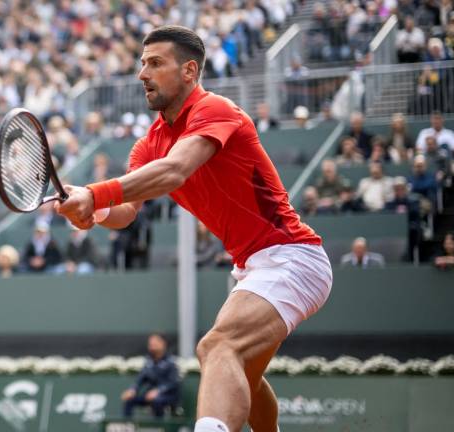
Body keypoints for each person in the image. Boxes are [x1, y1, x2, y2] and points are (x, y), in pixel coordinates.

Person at [56, 26, 332, 432]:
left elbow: (174, 170)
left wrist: (94, 195)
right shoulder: (148, 143)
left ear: (189, 70)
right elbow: (127, 211)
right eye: (141, 63)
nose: (142, 74)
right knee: (245, 377)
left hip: (293, 256)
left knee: (217, 346)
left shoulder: (216, 109)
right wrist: (92, 212)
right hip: (253, 266)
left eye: (155, 63)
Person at [122, 334, 181, 419]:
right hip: (149, 395)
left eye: (155, 344)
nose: (152, 347)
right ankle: (127, 426)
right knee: (129, 400)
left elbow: (173, 383)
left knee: (157, 400)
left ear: (163, 344)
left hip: (169, 396)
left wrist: (158, 391)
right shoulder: (148, 361)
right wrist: (133, 389)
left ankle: (159, 427)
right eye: (150, 344)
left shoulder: (171, 362)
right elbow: (140, 379)